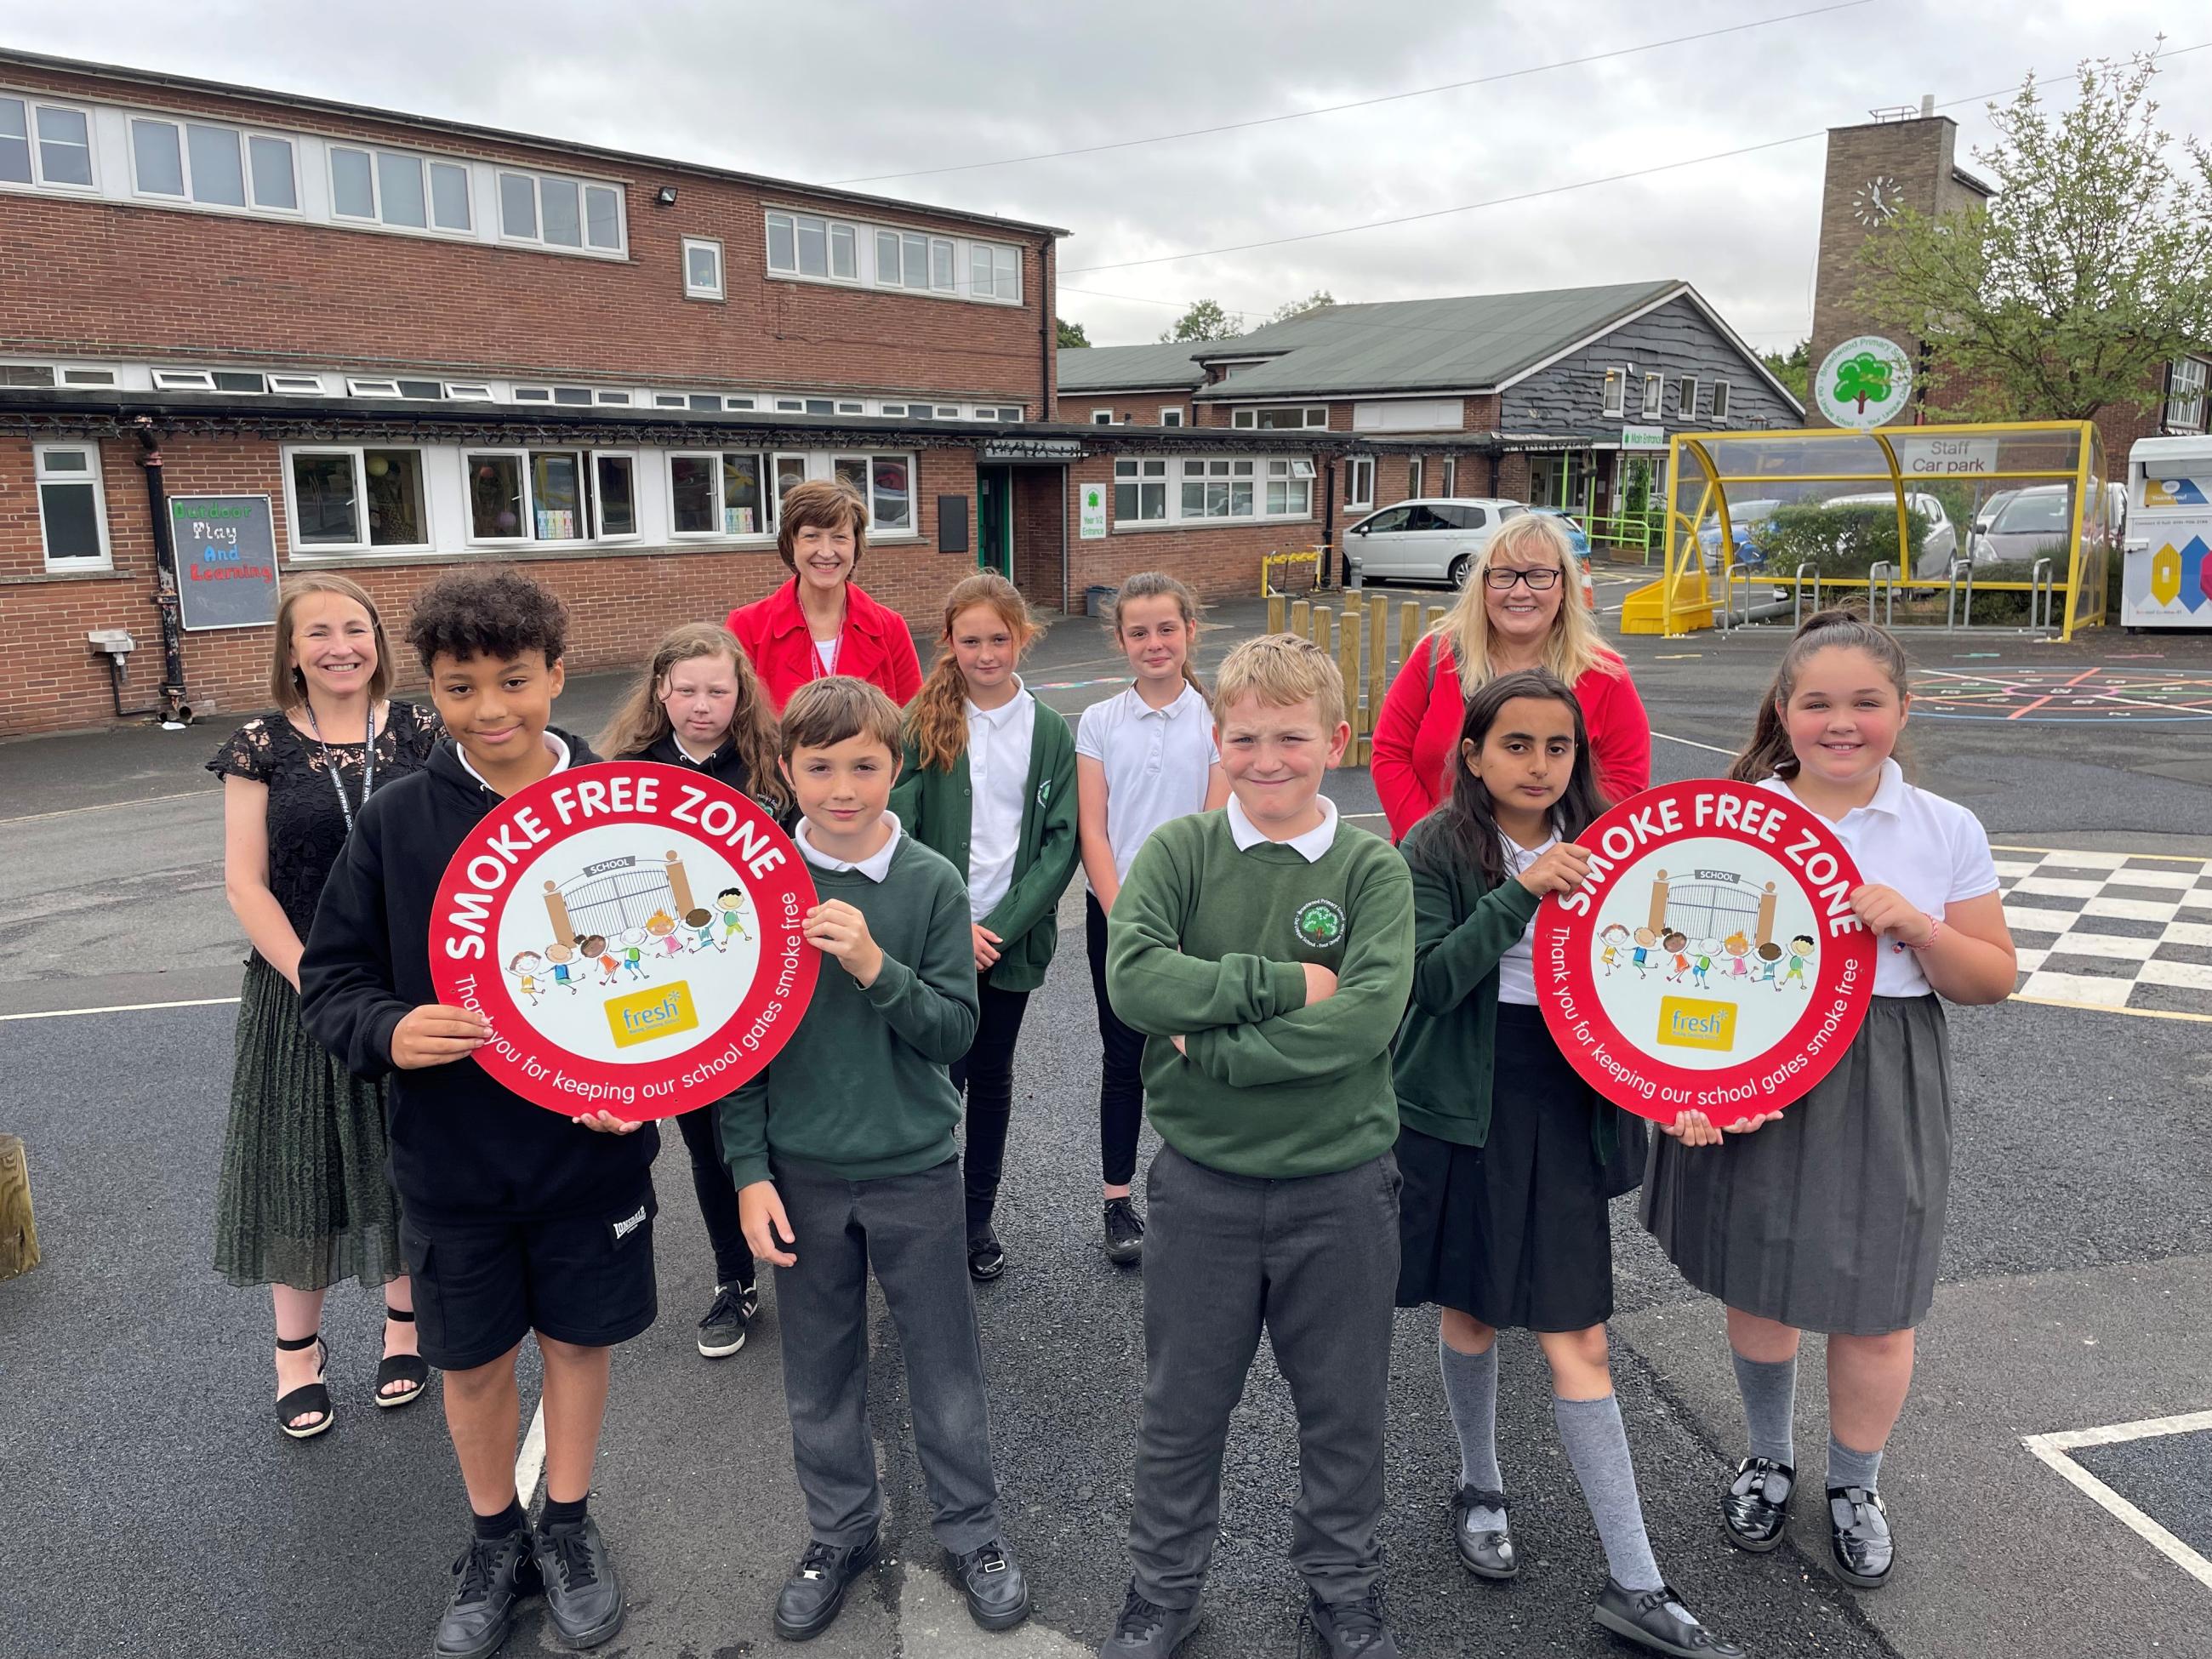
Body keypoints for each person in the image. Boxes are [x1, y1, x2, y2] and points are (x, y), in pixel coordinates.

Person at [302, 571, 651, 1659]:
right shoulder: (404, 817)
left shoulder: (628, 806)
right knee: (471, 1359)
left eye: (514, 681)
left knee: (580, 1339)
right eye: (461, 689)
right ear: (432, 693)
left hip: (587, 1152)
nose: (491, 710)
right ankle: (495, 1537)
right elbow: (332, 980)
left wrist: (638, 1089)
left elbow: (696, 975)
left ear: (557, 672)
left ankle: (573, 1525)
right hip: (452, 1155)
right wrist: (390, 1030)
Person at [1642, 612, 2015, 1593]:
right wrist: (1685, 1085)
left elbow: (1989, 978)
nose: (1839, 723)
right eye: (1815, 703)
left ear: (1901, 709)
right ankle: (1766, 1457)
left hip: (1879, 1071)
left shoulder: (1941, 829)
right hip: (1754, 1064)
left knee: (1876, 1306)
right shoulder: (1730, 817)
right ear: (1782, 709)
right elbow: (1670, 973)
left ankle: (1855, 1484)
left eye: (1864, 703)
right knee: (1758, 1287)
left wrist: (1919, 927)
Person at [1391, 669, 1742, 1659]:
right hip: (1465, 1096)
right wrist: (1515, 895)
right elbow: (1427, 983)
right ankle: (1479, 1479)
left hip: (1567, 1093)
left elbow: (1661, 979)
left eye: (1556, 747)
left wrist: (1685, 1086)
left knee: (1575, 1335)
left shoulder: (1621, 846)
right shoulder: (1436, 846)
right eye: (1514, 745)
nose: (1538, 765)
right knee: (1468, 1310)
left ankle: (1633, 1580)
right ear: (1471, 755)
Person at [1100, 634, 1416, 1659]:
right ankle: (1162, 1590)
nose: (1266, 757)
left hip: (1341, 1187)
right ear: (1216, 740)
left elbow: (1365, 1022)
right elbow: (1136, 981)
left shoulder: (1372, 868)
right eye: (1244, 737)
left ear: (1337, 739)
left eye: (1290, 736)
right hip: (1203, 1188)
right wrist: (1279, 986)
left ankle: (1342, 1590)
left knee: (1342, 1410)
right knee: (1182, 1408)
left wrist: (1210, 1048)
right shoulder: (1179, 855)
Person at [722, 676, 1030, 1642]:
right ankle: (839, 1530)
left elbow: (951, 1033)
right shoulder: (760, 881)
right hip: (800, 1173)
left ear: (896, 768)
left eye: (865, 764)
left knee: (944, 1365)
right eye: (819, 767)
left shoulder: (931, 883)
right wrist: (746, 1170)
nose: (842, 787)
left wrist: (871, 963)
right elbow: (733, 1040)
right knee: (818, 1370)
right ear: (785, 770)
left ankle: (973, 1530)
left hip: (911, 1168)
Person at [208, 573, 442, 1439]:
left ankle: (405, 1329)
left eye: (356, 628)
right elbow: (244, 880)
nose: (341, 645)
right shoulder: (259, 745)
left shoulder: (421, 729)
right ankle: (296, 1356)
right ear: (291, 651)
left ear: (378, 642)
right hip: (300, 989)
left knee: (406, 1160)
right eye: (320, 632)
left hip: (408, 991)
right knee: (299, 1175)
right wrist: (319, 979)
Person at [596, 621, 790, 1360]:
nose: (702, 704)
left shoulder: (773, 766)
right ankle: (733, 1279)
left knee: (783, 1135)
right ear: (661, 692)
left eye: (719, 689)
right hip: (679, 1000)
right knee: (709, 1149)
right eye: (687, 690)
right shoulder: (624, 772)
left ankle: (817, 1267)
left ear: (741, 693)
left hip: (767, 988)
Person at [889, 573, 1080, 1282]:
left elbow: (1060, 845)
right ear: (949, 643)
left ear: (1022, 638)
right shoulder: (923, 721)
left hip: (1010, 939)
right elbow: (899, 829)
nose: (987, 653)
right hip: (937, 941)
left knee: (992, 1075)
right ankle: (928, 1219)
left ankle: (976, 1219)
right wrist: (950, 928)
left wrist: (995, 930)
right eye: (970, 640)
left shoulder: (1051, 729)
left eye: (999, 638)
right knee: (941, 1079)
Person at [1074, 573, 1229, 1267]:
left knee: (1194, 1053)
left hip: (1195, 915)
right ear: (1121, 640)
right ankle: (1117, 1200)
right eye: (1139, 632)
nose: (1154, 642)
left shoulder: (1219, 719)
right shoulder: (1100, 721)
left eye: (1167, 628)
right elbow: (1094, 830)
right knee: (1123, 1057)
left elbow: (1211, 823)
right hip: (1118, 912)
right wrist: (1127, 918)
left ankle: (1199, 1193)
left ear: (1190, 631)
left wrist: (1175, 918)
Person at [1371, 512, 1650, 841]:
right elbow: (1390, 754)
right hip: (1436, 875)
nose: (1520, 591)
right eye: (1504, 576)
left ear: (1563, 586)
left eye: (1538, 575)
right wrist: (1437, 848)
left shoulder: (1605, 674)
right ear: (1483, 586)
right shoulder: (1437, 657)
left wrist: (1542, 854)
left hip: (1556, 880)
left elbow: (1625, 783)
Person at [727, 478, 923, 713]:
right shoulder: (747, 627)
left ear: (855, 544)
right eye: (812, 536)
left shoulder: (890, 628)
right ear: (791, 542)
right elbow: (735, 725)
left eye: (840, 537)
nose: (827, 552)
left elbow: (913, 731)